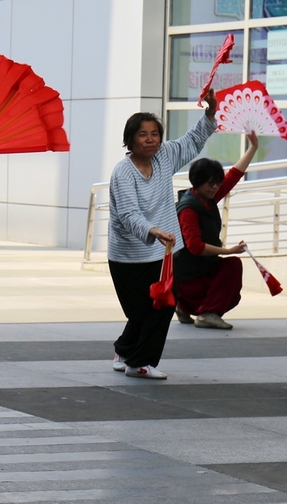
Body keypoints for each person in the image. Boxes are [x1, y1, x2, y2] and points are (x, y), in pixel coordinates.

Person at [108, 91, 218, 380]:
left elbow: (193, 140)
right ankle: (125, 349)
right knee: (141, 310)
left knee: (164, 303)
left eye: (155, 133)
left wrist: (209, 112)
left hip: (165, 251)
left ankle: (137, 360)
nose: (151, 139)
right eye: (143, 134)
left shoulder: (165, 156)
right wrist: (151, 230)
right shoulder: (123, 172)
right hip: (128, 255)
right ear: (130, 139)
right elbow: (128, 215)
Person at [174, 131, 259, 330]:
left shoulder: (206, 197)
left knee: (231, 267)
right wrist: (228, 251)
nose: (215, 187)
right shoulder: (188, 209)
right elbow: (194, 247)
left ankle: (185, 308)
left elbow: (234, 175)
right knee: (232, 266)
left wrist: (253, 146)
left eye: (216, 183)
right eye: (210, 183)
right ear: (197, 182)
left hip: (197, 274)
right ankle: (206, 314)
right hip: (187, 280)